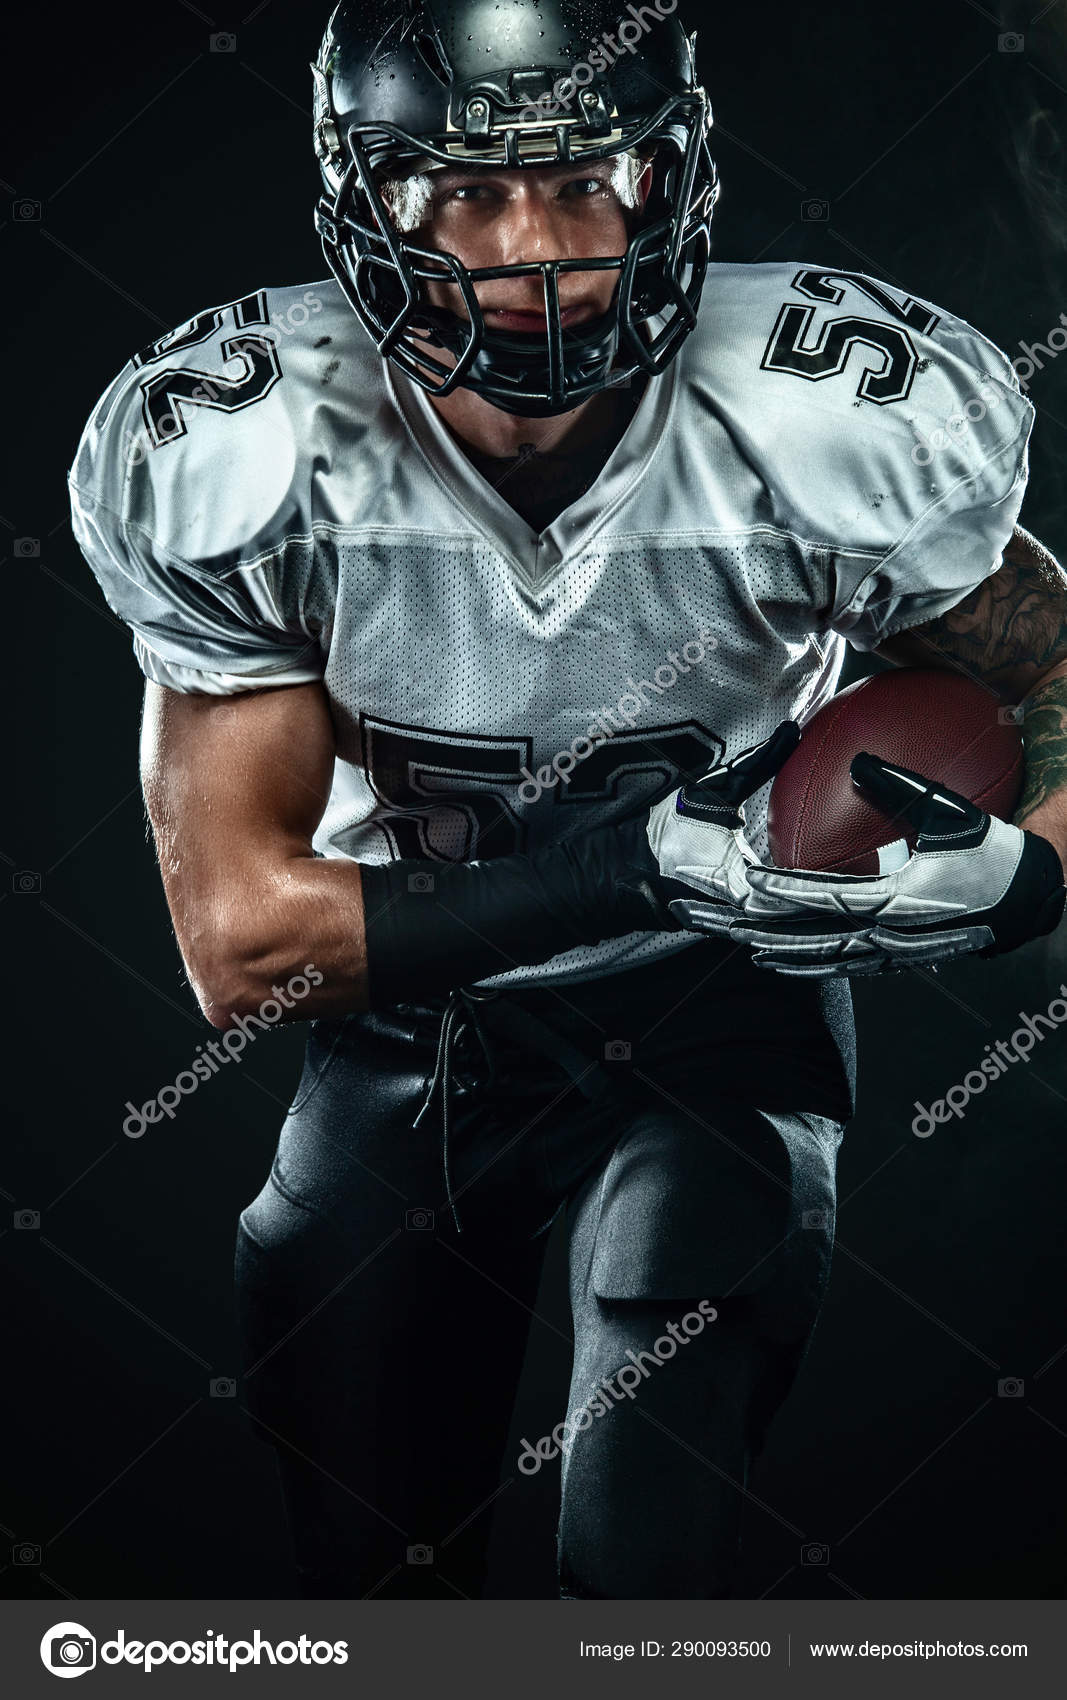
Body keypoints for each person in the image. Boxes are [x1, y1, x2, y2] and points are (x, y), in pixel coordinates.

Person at [68, 0, 1066, 1600]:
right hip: (414, 1026)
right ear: (364, 200)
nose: (535, 249)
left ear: (672, 184)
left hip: (720, 1010)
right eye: (466, 190)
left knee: (640, 1555)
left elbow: (1054, 682)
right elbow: (243, 944)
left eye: (587, 182)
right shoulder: (248, 446)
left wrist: (1027, 882)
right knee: (372, 1562)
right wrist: (641, 863)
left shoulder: (830, 414)